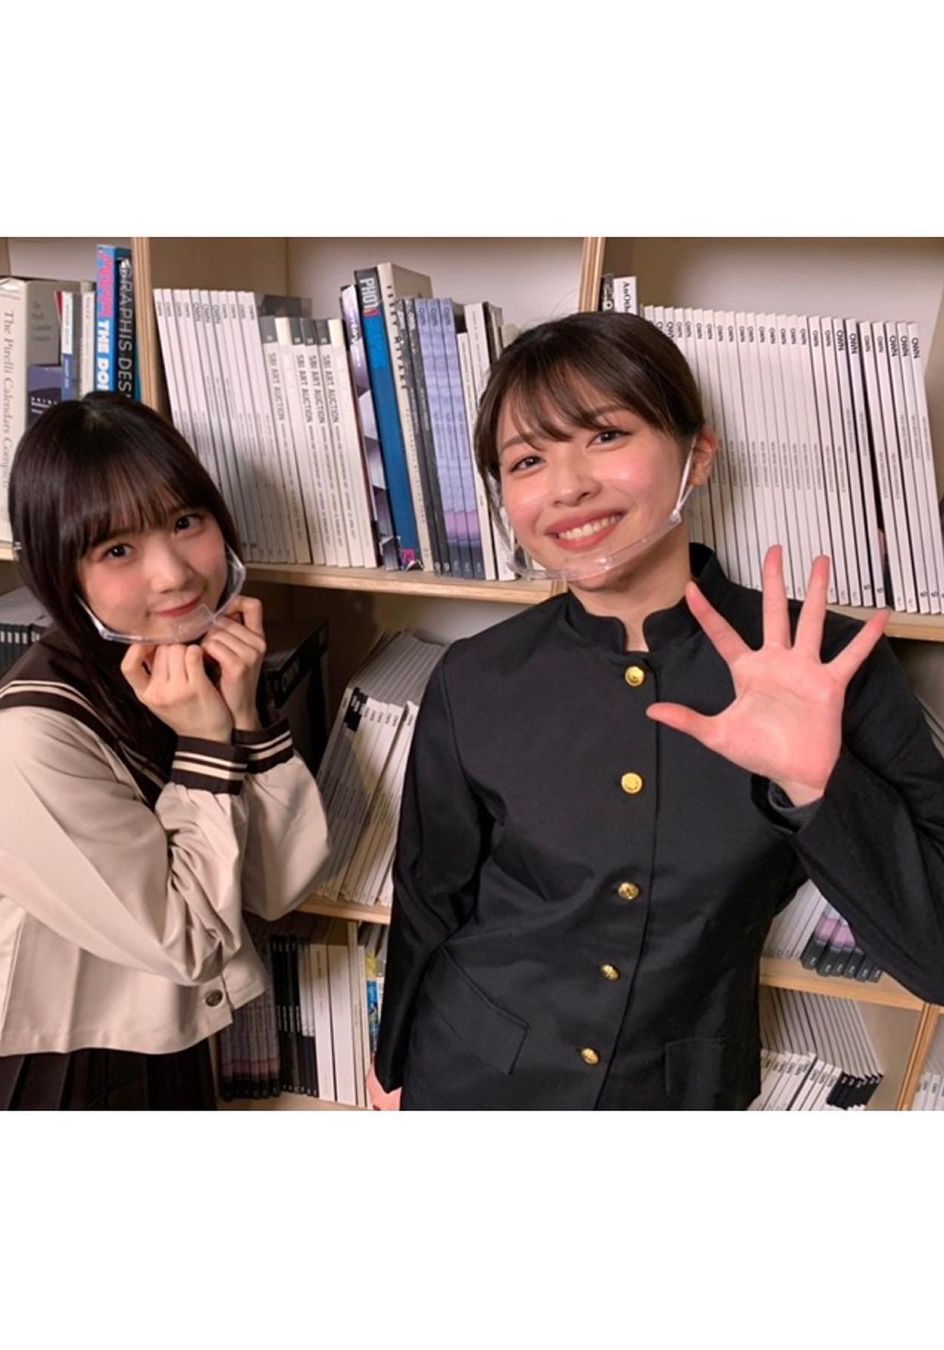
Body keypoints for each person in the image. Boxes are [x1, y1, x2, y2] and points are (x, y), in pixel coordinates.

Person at [369, 310, 944, 1111]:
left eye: (606, 435)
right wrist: (393, 1063)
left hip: (681, 1091)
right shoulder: (474, 676)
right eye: (528, 460)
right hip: (469, 1069)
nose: (567, 486)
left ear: (697, 455)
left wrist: (819, 787)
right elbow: (430, 895)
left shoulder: (827, 665)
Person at [0, 393, 329, 1110]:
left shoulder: (181, 671)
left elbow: (273, 891)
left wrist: (245, 713)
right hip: (30, 1078)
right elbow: (192, 942)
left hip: (169, 1053)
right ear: (64, 575)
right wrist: (206, 745)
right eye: (118, 550)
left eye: (185, 522)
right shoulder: (29, 741)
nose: (174, 574)